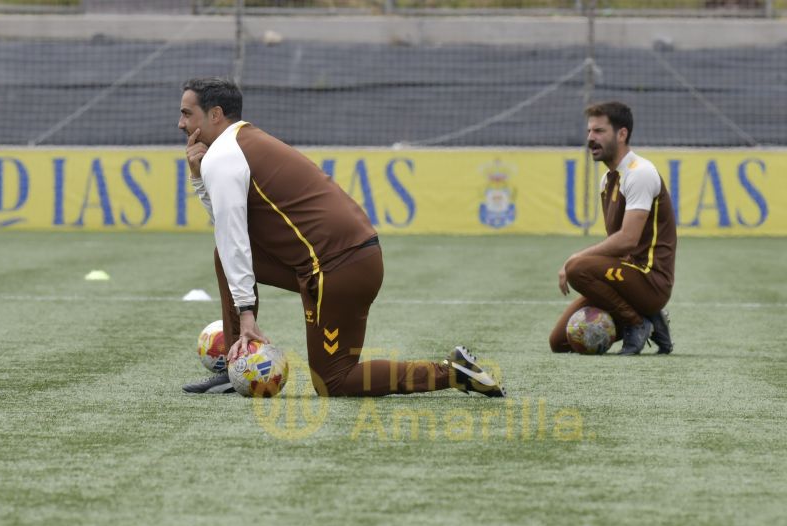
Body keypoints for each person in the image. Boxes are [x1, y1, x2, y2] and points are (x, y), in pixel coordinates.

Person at [177, 77, 505, 397]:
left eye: (187, 113)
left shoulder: (223, 155)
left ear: (216, 114)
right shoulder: (240, 143)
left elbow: (233, 233)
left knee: (333, 381)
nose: (180, 123)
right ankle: (235, 362)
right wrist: (197, 178)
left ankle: (452, 372)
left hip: (339, 269)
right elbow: (229, 228)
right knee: (225, 253)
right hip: (339, 262)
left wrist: (246, 312)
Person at [550, 101, 676, 355]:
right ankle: (652, 320)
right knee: (560, 342)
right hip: (627, 278)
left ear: (622, 134)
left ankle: (638, 322)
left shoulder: (640, 172)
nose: (590, 139)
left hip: (650, 280)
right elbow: (617, 248)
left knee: (577, 268)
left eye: (599, 131)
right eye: (589, 132)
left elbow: (628, 240)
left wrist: (576, 258)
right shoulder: (608, 180)